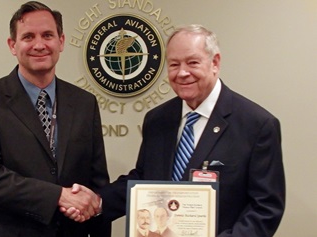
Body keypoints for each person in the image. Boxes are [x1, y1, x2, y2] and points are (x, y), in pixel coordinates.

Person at [68, 24, 285, 237]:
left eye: (192, 62)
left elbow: (265, 208)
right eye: (174, 64)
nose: (182, 73)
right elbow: (145, 180)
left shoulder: (257, 125)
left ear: (215, 62)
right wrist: (98, 201)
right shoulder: (158, 119)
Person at [0, 1, 110, 237]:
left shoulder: (84, 102)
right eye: (28, 36)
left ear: (61, 42)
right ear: (13, 45)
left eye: (48, 35)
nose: (39, 45)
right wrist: (57, 196)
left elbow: (97, 180)